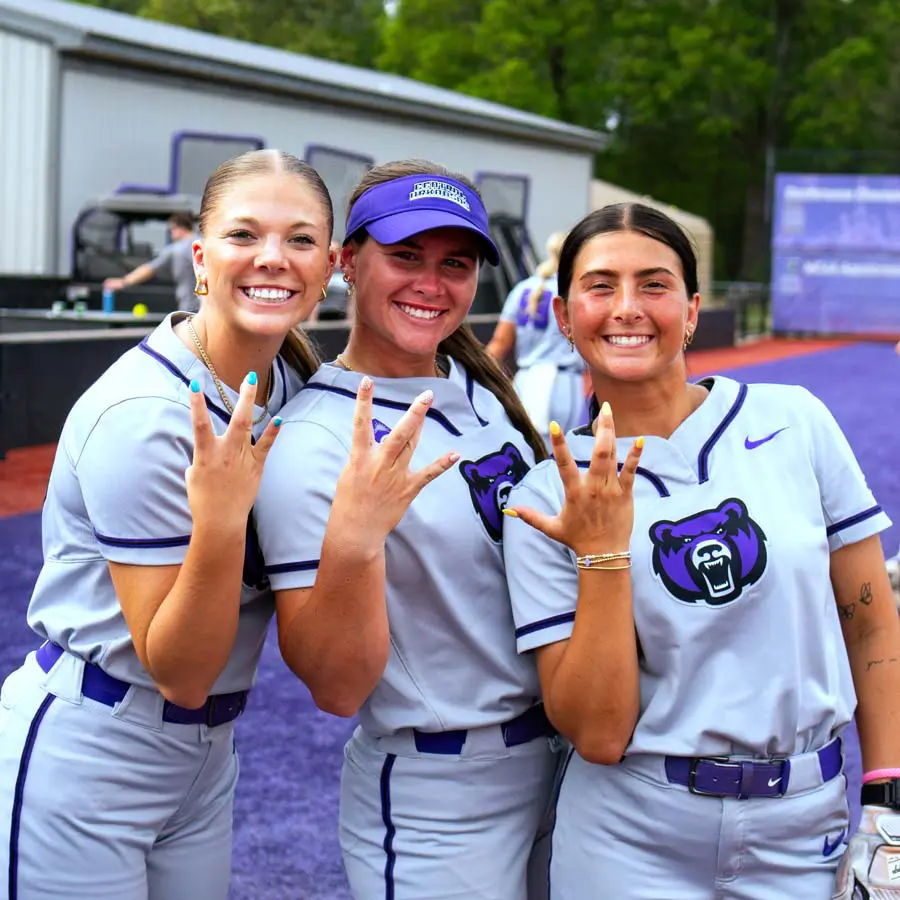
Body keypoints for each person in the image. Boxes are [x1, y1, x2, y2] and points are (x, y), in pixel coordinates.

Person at [501, 202, 900, 899]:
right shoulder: (544, 495)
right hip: (630, 829)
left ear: (691, 309)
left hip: (805, 824)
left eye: (653, 284)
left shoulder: (794, 421)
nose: (627, 307)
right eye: (601, 287)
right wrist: (601, 555)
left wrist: (887, 801)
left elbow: (868, 617)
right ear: (565, 316)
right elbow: (597, 733)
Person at [0, 149, 335, 900]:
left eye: (300, 239)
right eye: (244, 235)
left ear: (331, 264)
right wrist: (220, 524)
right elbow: (180, 671)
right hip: (93, 744)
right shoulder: (145, 414)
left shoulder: (293, 383)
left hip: (205, 753)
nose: (273, 258)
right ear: (201, 259)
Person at [253, 160, 559, 899]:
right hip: (439, 797)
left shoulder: (482, 394)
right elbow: (333, 684)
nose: (431, 282)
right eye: (405, 256)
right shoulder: (318, 438)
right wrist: (355, 541)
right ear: (348, 264)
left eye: (454, 263)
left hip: (560, 770)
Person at [486, 231, 587, 444]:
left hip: (525, 381)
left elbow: (499, 344)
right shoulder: (578, 291)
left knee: (523, 451)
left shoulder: (524, 287)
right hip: (563, 383)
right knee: (564, 454)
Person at [103, 211, 199, 313]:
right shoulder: (203, 243)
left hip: (190, 309)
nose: (171, 234)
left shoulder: (177, 249)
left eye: (170, 230)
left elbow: (149, 269)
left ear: (178, 228)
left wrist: (123, 282)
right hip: (208, 308)